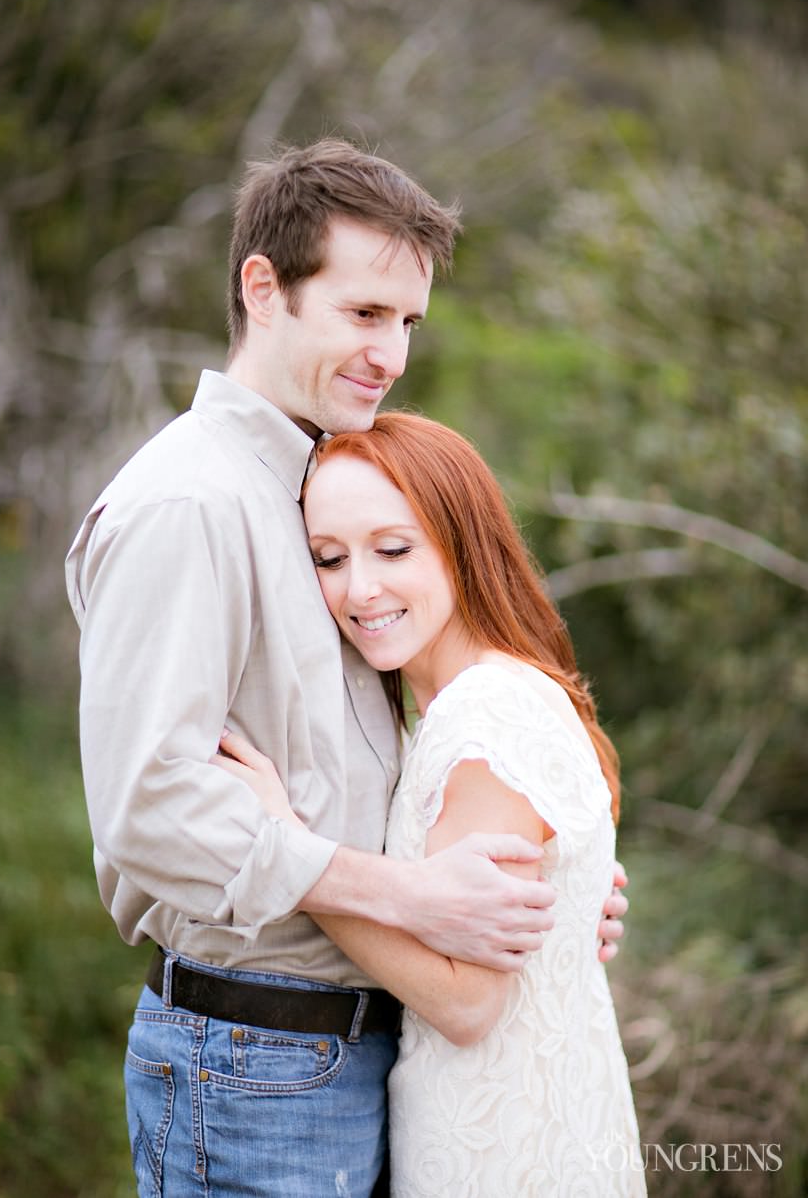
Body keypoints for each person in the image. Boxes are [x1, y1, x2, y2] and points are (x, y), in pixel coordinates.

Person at [65, 139, 628, 1197]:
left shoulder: (324, 487)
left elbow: (356, 766)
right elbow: (148, 802)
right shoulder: (192, 501)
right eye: (366, 315)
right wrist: (414, 896)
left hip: (360, 1052)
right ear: (263, 288)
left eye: (408, 322)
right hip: (253, 1063)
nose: (394, 354)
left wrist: (539, 886)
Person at [217, 411, 645, 1197]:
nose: (360, 588)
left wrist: (286, 849)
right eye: (329, 558)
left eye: (393, 548)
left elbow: (468, 1003)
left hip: (503, 1152)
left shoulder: (483, 716)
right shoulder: (474, 702)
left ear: (461, 542)